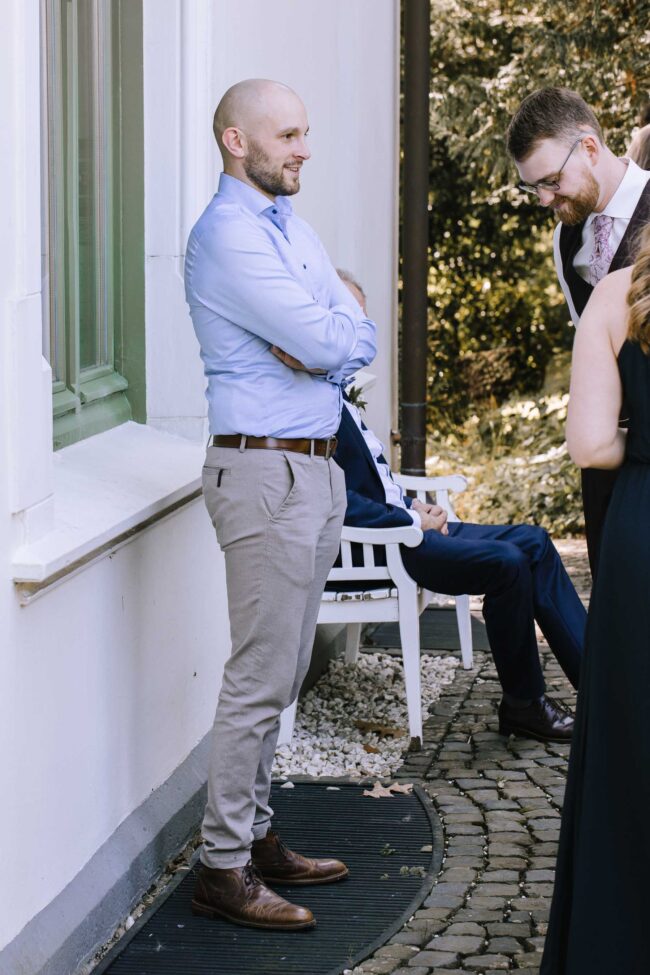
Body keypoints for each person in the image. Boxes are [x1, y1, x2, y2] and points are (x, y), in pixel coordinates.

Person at [184, 78, 377, 931]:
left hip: (315, 468)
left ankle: (258, 836)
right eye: (288, 134)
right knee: (259, 678)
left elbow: (354, 329)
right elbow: (326, 333)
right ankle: (222, 866)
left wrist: (326, 340)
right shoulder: (227, 236)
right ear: (236, 140)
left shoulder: (289, 227)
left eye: (306, 132)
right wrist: (323, 337)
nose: (304, 148)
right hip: (264, 473)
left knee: (289, 669)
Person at [324, 272, 585, 743]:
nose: (361, 330)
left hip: (405, 526)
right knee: (507, 564)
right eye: (352, 317)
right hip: (385, 547)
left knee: (535, 540)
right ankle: (524, 706)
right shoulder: (311, 402)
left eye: (364, 318)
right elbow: (332, 497)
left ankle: (599, 682)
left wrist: (412, 502)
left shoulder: (338, 389)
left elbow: (372, 482)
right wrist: (408, 518)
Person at [540, 226, 650, 975]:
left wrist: (641, 444)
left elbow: (588, 444)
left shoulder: (616, 294)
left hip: (643, 534)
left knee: (630, 742)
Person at [506, 88, 650, 579]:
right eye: (534, 188)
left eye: (550, 181)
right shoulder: (565, 238)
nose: (545, 199)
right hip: (608, 461)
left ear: (589, 147)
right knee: (619, 606)